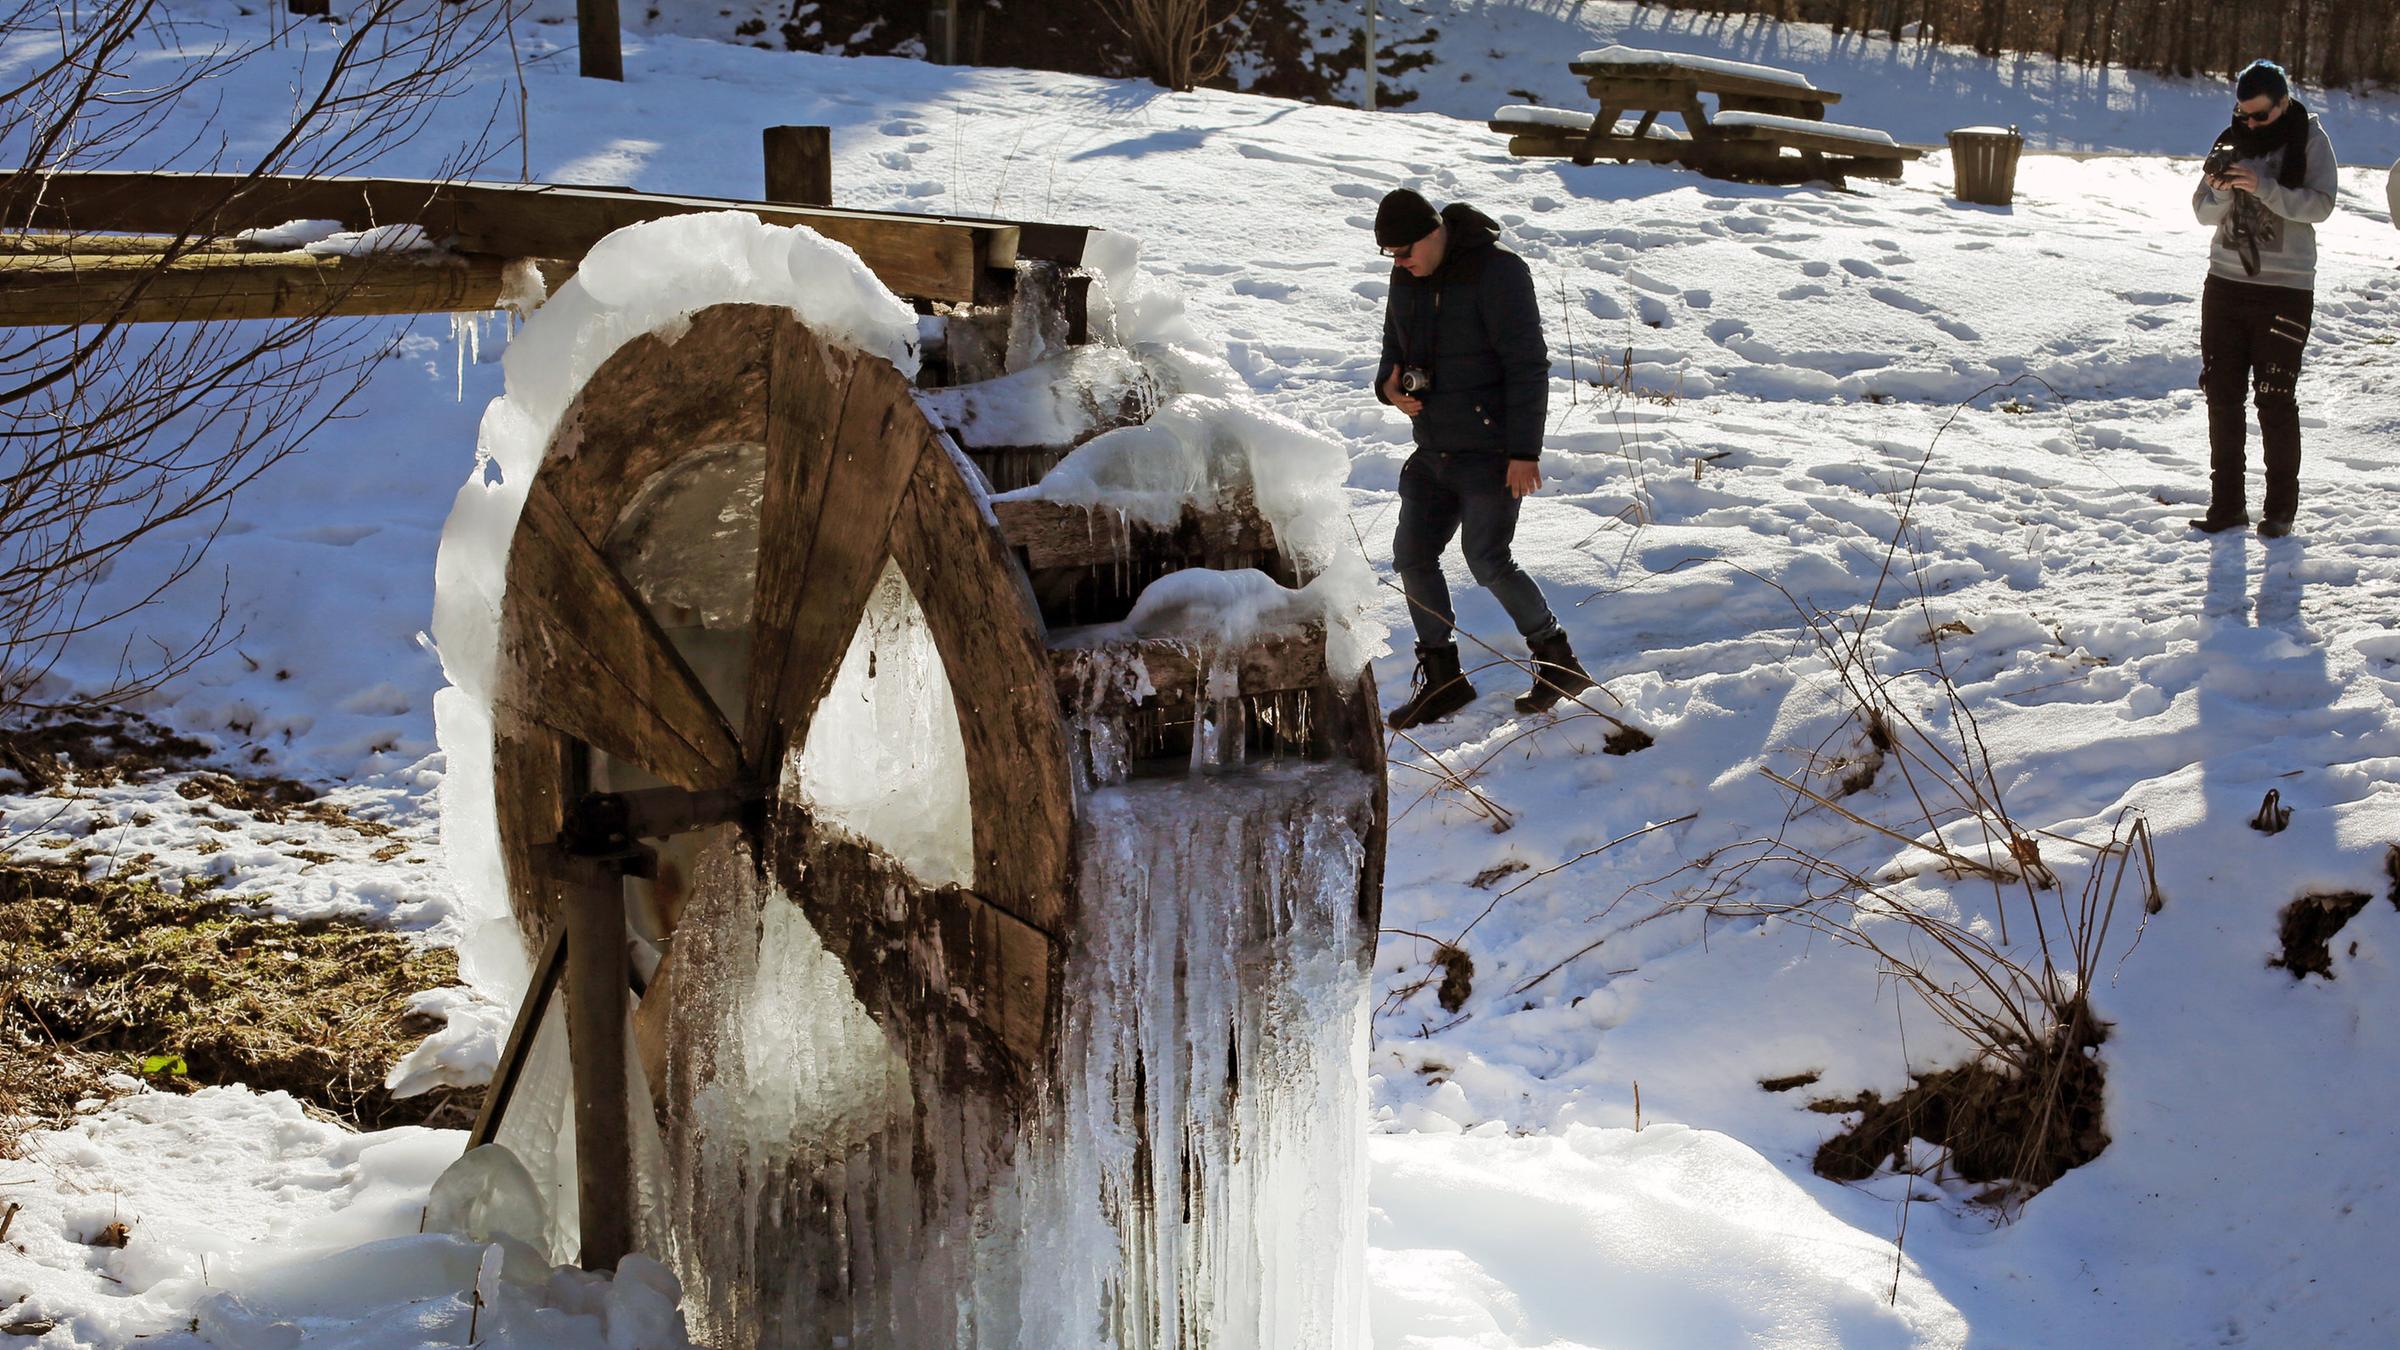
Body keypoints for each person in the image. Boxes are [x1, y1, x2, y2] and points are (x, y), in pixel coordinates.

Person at [1372, 187, 1589, 729]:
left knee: (1487, 558)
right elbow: (1390, 352)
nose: (1400, 264)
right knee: (1412, 557)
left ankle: (1558, 660)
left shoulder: (1500, 273)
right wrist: (1389, 388)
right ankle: (1444, 678)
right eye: (1391, 257)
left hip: (1491, 451)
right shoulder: (1406, 276)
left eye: (1405, 252)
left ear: (1434, 231)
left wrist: (1523, 451)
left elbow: (1528, 365)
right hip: (1433, 447)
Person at [2188, 59, 2338, 540]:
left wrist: (2265, 188)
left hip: (2285, 290)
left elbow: (2322, 204)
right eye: (2243, 114)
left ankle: (2279, 512)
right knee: (2221, 396)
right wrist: (2220, 191)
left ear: (2284, 102)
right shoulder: (2230, 140)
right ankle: (2226, 506)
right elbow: (2201, 213)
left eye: (2260, 116)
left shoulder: (2311, 140)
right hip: (2225, 284)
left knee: (2274, 400)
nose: (2249, 124)